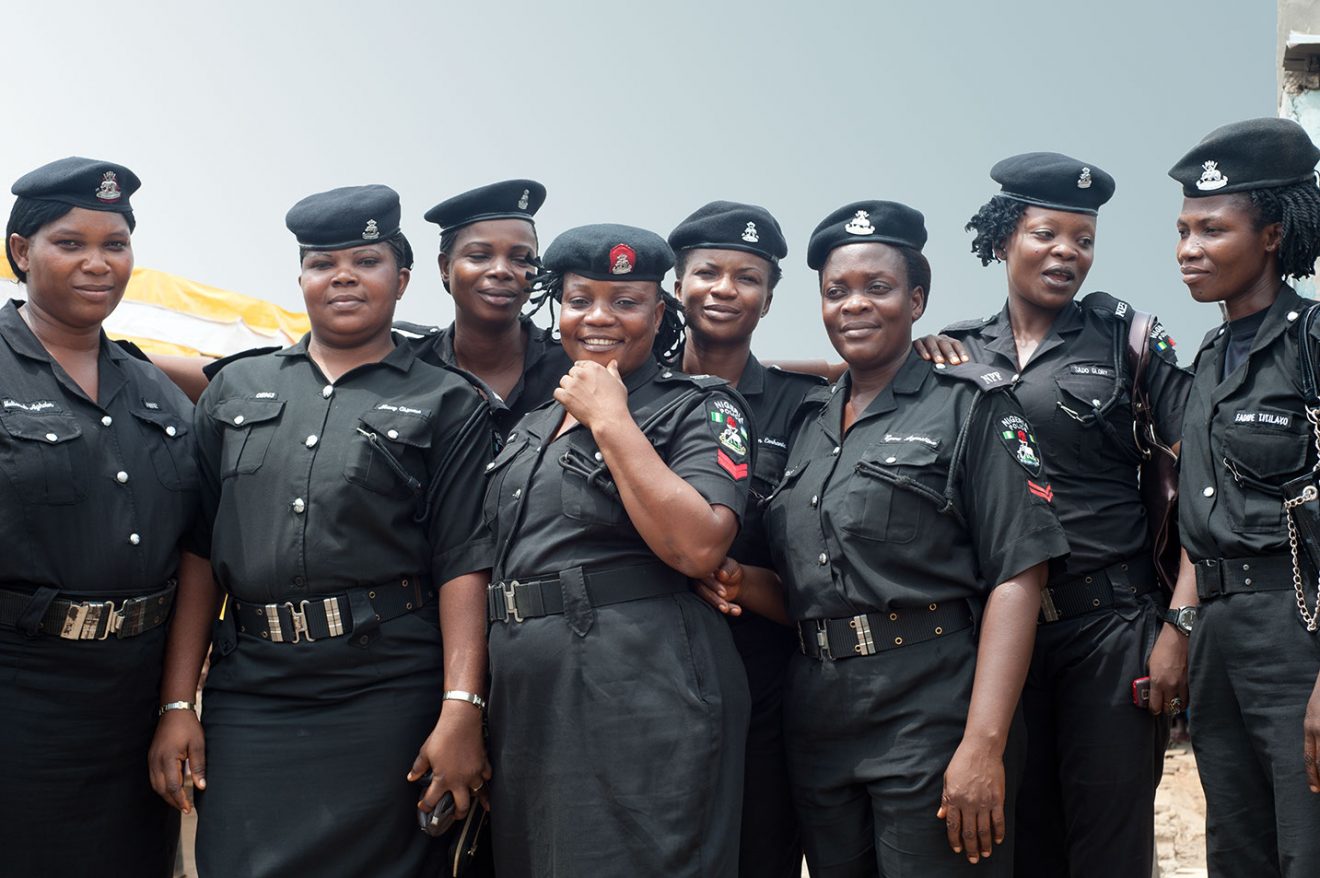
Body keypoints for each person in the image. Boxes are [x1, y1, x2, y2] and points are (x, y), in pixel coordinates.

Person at [148, 184, 495, 877]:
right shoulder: (236, 390)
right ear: (301, 279)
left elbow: (463, 561)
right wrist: (178, 703)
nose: (342, 277)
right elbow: (198, 554)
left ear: (402, 280)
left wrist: (462, 707)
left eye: (365, 261)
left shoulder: (448, 399)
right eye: (321, 263)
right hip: (254, 691)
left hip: (387, 690)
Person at [758, 200, 1069, 877]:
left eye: (878, 287)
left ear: (918, 300)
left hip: (933, 711)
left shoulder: (970, 403)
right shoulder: (808, 422)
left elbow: (1020, 574)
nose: (854, 305)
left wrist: (983, 744)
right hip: (820, 719)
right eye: (836, 291)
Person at [934, 153, 1193, 878]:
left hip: (1110, 631)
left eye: (1083, 240)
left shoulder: (1127, 339)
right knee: (1019, 847)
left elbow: (1200, 475)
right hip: (996, 639)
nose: (1067, 253)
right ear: (1003, 238)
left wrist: (1179, 625)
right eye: (1046, 234)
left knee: (1110, 850)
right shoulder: (955, 351)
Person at [483, 223, 753, 876]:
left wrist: (611, 419)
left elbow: (699, 545)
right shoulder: (531, 425)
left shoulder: (700, 406)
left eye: (626, 302)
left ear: (658, 316)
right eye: (580, 300)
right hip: (528, 698)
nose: (599, 317)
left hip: (642, 690)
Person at [0, 156, 209, 877]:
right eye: (70, 243)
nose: (98, 264)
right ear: (21, 252)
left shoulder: (158, 389)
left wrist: (177, 704)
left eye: (115, 245)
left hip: (136, 706)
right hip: (20, 693)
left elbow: (196, 551)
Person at [1168, 117, 1320, 877]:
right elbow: (1201, 517)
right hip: (1219, 638)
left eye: (1212, 230)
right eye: (1183, 230)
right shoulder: (1207, 356)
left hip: (1298, 630)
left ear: (1270, 236)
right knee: (1237, 853)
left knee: (1308, 845)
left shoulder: (1311, 341)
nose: (1187, 249)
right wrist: (1181, 630)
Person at [667, 200, 822, 878]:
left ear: (769, 298)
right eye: (708, 273)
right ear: (678, 285)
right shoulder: (634, 391)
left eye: (748, 278)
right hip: (644, 672)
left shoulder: (804, 405)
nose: (725, 290)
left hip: (761, 677)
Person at [399, 178, 571, 438]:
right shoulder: (407, 365)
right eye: (479, 256)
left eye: (521, 259)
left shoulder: (571, 368)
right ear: (445, 267)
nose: (501, 271)